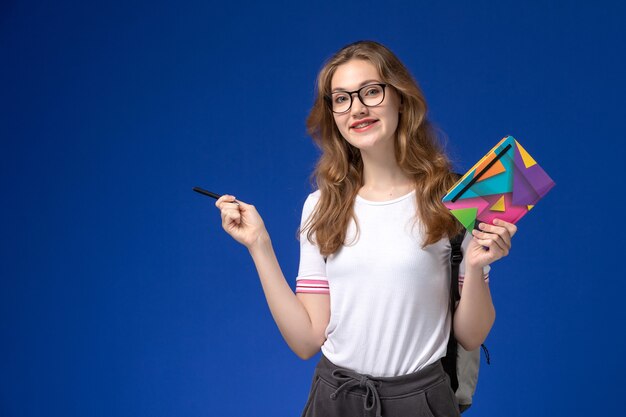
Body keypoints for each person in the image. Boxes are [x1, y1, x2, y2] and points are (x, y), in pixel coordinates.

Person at [215, 40, 517, 417]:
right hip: (334, 400)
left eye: (371, 92)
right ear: (333, 115)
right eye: (341, 99)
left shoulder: (453, 200)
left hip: (421, 401)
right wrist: (259, 245)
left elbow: (472, 335)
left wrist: (474, 266)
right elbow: (307, 341)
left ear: (400, 98)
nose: (356, 108)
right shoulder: (321, 206)